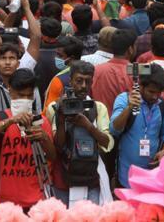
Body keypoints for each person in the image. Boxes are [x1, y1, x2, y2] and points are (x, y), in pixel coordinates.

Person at [0, 68, 57, 209]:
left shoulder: (42, 121)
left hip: (38, 202)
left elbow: (53, 156)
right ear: (10, 91)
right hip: (7, 203)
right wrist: (10, 121)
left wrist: (44, 137)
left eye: (29, 96)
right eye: (21, 95)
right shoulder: (0, 118)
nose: (25, 100)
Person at [45, 60, 113, 204]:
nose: (83, 86)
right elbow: (57, 146)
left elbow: (107, 144)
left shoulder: (98, 108)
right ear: (70, 80)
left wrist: (88, 126)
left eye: (87, 82)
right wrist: (61, 118)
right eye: (79, 81)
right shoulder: (54, 107)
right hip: (63, 177)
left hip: (91, 176)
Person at [110, 63, 164, 188]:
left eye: (159, 93)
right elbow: (114, 129)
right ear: (140, 86)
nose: (155, 96)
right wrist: (129, 108)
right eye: (151, 91)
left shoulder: (161, 105)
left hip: (152, 177)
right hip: (127, 177)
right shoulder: (124, 99)